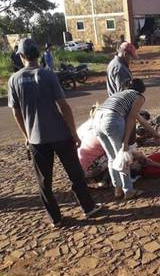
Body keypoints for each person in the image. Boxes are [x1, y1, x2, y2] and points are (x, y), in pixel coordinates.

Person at [8, 38, 103, 227]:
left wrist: (27, 136)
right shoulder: (47, 75)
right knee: (75, 173)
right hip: (60, 135)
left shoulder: (14, 79)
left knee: (44, 181)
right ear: (38, 54)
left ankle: (56, 218)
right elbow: (64, 107)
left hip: (36, 139)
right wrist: (74, 134)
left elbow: (16, 113)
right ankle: (88, 208)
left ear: (21, 56)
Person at [93, 79, 160, 199]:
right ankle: (128, 191)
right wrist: (125, 142)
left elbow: (139, 118)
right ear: (141, 89)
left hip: (97, 121)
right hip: (112, 120)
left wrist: (155, 133)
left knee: (112, 158)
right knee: (122, 156)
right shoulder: (138, 96)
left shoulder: (120, 95)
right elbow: (131, 119)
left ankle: (118, 189)